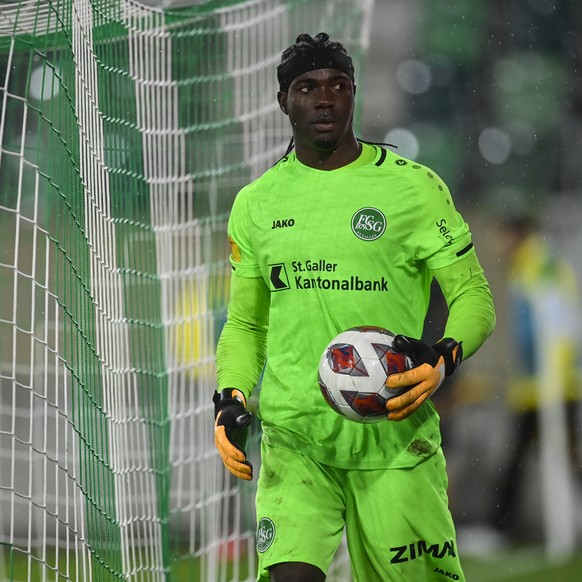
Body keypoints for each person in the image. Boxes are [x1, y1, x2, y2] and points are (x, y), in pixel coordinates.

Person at [213, 32, 496, 582]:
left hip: (393, 441)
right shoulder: (256, 204)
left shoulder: (413, 189)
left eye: (339, 86)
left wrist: (444, 356)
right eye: (308, 87)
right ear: (284, 101)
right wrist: (230, 397)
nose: (325, 98)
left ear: (353, 95)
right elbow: (246, 323)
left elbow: (474, 296)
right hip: (297, 442)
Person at [493, 213, 582, 537]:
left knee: (540, 458)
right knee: (552, 457)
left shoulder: (540, 266)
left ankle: (499, 529)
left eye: (502, 235)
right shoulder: (525, 267)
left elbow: (559, 328)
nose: (497, 243)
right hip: (536, 387)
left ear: (518, 233)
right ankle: (500, 528)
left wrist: (552, 383)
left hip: (551, 387)